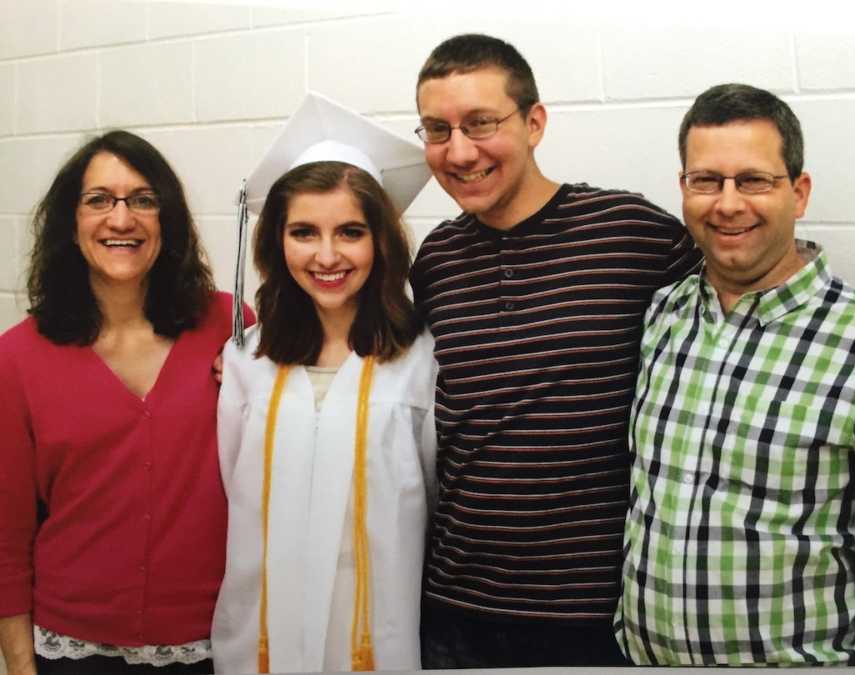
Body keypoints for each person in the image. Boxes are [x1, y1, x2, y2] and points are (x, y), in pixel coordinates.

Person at [409, 33, 703, 668]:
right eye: (437, 130)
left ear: (534, 122)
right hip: (454, 608)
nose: (458, 151)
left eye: (481, 123)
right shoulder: (434, 258)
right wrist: (254, 357)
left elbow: (745, 299)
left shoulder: (631, 232)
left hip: (595, 614)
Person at [616, 83, 855, 665]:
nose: (727, 203)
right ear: (684, 189)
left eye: (753, 180)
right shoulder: (663, 317)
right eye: (707, 181)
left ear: (798, 192)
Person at [0, 130, 252, 675]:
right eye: (98, 201)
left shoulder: (230, 327)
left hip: (217, 644)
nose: (121, 219)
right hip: (72, 651)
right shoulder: (17, 358)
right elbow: (6, 536)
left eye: (143, 200)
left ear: (169, 220)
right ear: (71, 222)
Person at [211, 93, 436, 674]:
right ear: (276, 240)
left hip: (374, 633)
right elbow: (231, 483)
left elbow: (436, 494)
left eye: (351, 232)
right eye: (304, 232)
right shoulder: (246, 360)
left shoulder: (420, 360)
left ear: (380, 241)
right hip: (262, 631)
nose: (327, 255)